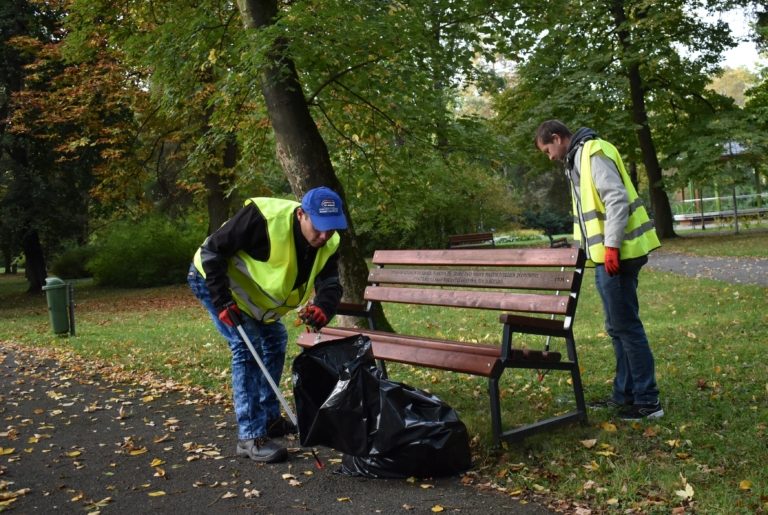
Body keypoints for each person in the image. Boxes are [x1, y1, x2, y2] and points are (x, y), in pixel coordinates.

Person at [187, 186, 348, 462]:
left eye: (331, 230)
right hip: (214, 283)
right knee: (246, 348)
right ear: (301, 215)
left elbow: (330, 283)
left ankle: (270, 419)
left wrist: (323, 307)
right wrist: (222, 301)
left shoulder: (329, 243)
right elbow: (211, 253)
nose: (324, 237)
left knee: (275, 339)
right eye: (319, 228)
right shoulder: (263, 218)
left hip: (254, 300)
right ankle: (250, 436)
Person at [534, 120, 664, 420]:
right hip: (607, 255)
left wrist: (612, 247)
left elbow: (616, 199)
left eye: (547, 150)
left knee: (627, 328)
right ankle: (625, 394)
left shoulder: (592, 153)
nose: (550, 157)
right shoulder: (576, 158)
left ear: (557, 138)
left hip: (619, 254)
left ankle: (648, 401)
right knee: (617, 328)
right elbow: (589, 215)